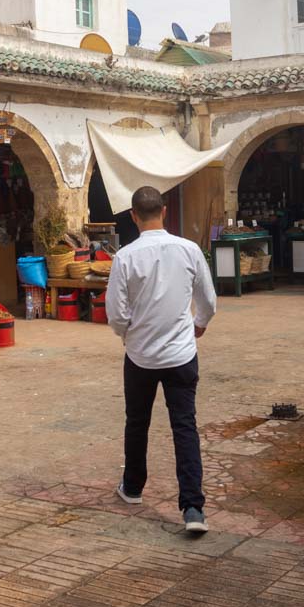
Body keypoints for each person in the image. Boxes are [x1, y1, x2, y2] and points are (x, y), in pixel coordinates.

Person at [104, 185, 216, 534]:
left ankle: (133, 487)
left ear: (134, 216)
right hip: (181, 353)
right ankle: (193, 508)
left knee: (137, 421)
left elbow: (116, 314)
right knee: (185, 425)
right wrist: (198, 325)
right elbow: (208, 300)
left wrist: (128, 335)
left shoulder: (125, 257)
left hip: (140, 355)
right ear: (164, 211)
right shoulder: (189, 250)